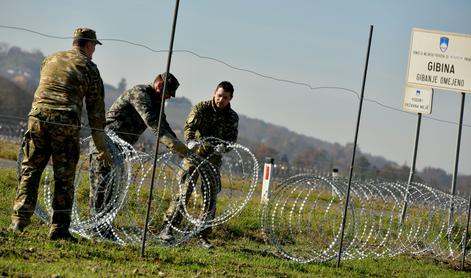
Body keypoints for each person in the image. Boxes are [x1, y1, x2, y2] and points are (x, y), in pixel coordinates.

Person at [9, 27, 112, 242]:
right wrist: (101, 147)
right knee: (63, 177)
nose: (94, 50)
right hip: (64, 121)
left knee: (31, 169)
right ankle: (59, 229)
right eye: (94, 46)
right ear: (88, 44)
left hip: (36, 118)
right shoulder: (89, 68)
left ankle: (19, 220)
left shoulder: (49, 59)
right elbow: (96, 114)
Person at [88, 73, 190, 238]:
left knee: (113, 191)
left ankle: (105, 229)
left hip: (121, 148)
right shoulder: (140, 93)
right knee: (101, 187)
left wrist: (179, 147)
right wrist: (175, 146)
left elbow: (163, 125)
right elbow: (152, 122)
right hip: (106, 143)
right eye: (169, 93)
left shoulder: (157, 103)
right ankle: (95, 229)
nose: (170, 97)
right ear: (159, 87)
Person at [160, 81, 239, 249]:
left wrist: (224, 147)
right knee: (184, 192)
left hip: (213, 161)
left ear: (231, 98)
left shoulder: (232, 117)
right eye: (219, 96)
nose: (221, 100)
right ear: (214, 93)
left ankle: (202, 234)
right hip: (194, 156)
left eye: (225, 98)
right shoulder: (202, 108)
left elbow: (232, 140)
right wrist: (190, 141)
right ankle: (168, 228)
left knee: (210, 198)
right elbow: (189, 126)